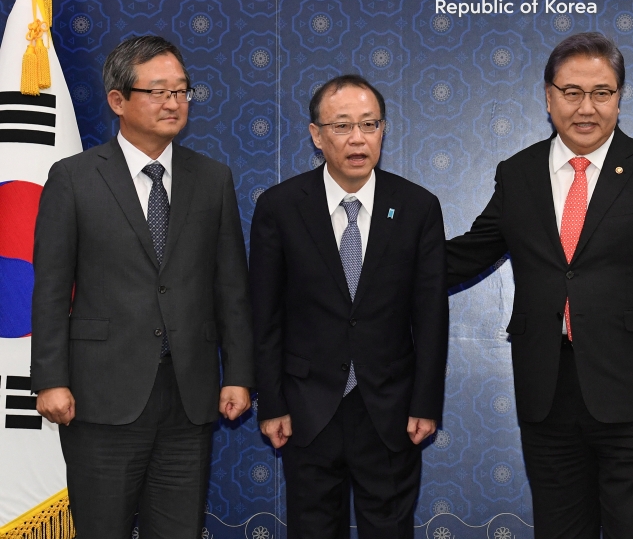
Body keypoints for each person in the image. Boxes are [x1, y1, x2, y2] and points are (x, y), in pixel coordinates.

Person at [446, 32, 633, 538]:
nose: (586, 107)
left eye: (602, 92)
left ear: (620, 97)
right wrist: (388, 260)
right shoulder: (518, 173)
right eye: (571, 91)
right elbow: (473, 250)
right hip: (548, 391)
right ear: (548, 96)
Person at [31, 35, 254, 538]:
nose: (174, 102)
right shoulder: (73, 178)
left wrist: (239, 373)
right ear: (118, 100)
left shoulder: (212, 178)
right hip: (99, 396)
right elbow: (50, 286)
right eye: (158, 91)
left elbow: (231, 288)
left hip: (189, 397)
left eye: (181, 91)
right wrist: (50, 378)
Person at [250, 75, 448, 538]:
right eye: (341, 126)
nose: (357, 138)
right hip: (306, 406)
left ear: (383, 130)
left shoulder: (418, 206)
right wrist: (272, 401)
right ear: (316, 135)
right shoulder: (280, 207)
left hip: (390, 407)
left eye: (369, 124)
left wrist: (425, 402)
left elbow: (431, 316)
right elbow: (264, 315)